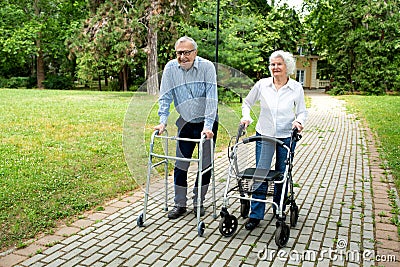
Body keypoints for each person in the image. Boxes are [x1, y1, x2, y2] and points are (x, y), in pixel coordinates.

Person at [240, 50, 307, 230]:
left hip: (286, 135)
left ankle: (279, 209)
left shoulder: (295, 88)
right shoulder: (262, 85)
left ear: (287, 67)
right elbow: (247, 103)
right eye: (272, 64)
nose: (275, 67)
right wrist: (246, 117)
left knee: (282, 172)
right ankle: (255, 215)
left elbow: (301, 111)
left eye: (279, 64)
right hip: (265, 134)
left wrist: (299, 121)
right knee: (261, 172)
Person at [154, 36, 218, 219]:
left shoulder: (207, 67)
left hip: (208, 122)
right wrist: (162, 122)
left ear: (195, 53)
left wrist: (207, 127)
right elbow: (165, 97)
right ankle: (179, 203)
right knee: (180, 165)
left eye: (187, 52)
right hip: (185, 122)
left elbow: (212, 98)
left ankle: (198, 202)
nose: (183, 56)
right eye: (179, 53)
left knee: (205, 166)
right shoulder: (170, 69)